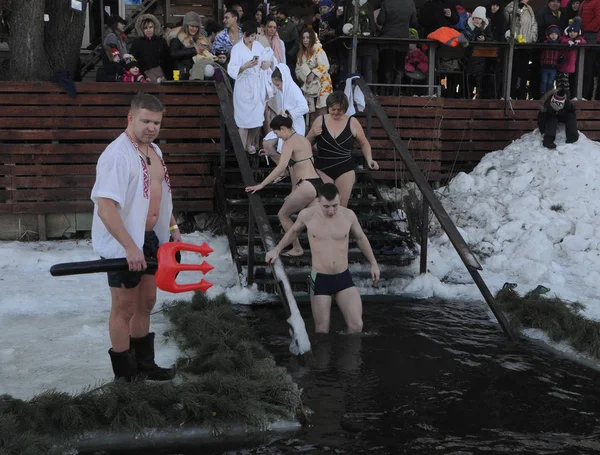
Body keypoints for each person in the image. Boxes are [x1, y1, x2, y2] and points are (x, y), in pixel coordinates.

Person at [91, 93, 181, 382]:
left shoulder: (155, 151)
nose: (151, 127)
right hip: (123, 243)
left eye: (156, 122)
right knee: (124, 307)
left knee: (147, 302)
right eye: (145, 121)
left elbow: (159, 195)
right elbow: (105, 206)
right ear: (130, 118)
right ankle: (125, 376)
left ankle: (145, 365)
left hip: (150, 239)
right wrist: (129, 247)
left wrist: (172, 226)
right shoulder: (117, 155)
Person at [265, 183, 380, 334]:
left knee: (357, 325)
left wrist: (373, 263)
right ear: (318, 201)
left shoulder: (348, 215)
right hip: (318, 278)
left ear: (340, 200)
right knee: (322, 330)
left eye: (335, 205)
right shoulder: (307, 215)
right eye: (326, 206)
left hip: (343, 276)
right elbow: (293, 232)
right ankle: (322, 356)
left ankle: (349, 356)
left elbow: (360, 238)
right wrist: (276, 250)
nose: (331, 211)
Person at [246, 113, 323, 257]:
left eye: (277, 133)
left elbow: (281, 167)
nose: (278, 137)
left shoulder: (289, 143)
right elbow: (296, 164)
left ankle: (297, 248)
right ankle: (322, 252)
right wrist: (294, 190)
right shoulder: (303, 139)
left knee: (283, 215)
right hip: (317, 183)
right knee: (313, 223)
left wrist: (261, 185)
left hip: (306, 185)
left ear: (283, 129)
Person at [306, 91, 378, 208]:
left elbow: (364, 142)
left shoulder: (352, 122)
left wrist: (369, 159)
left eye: (339, 110)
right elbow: (306, 143)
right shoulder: (320, 120)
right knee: (325, 204)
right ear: (328, 107)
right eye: (333, 109)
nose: (335, 112)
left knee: (341, 206)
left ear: (345, 109)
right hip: (323, 167)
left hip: (345, 168)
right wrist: (312, 134)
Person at [228, 21, 276, 153]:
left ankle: (249, 143)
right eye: (248, 36)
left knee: (258, 120)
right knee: (243, 121)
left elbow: (268, 57)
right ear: (243, 34)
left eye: (253, 36)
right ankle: (241, 151)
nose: (251, 39)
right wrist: (245, 66)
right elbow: (231, 69)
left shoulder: (258, 46)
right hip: (243, 86)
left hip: (257, 85)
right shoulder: (237, 48)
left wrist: (266, 63)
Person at [262, 64, 309, 167]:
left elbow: (305, 107)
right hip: (283, 126)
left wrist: (289, 113)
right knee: (267, 144)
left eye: (278, 85)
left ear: (284, 80)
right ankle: (283, 168)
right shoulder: (282, 91)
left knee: (289, 151)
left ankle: (288, 169)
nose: (277, 88)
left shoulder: (293, 89)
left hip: (295, 127)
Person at [296, 27, 333, 114]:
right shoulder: (301, 54)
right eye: (303, 38)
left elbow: (325, 65)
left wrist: (313, 73)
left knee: (322, 111)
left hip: (323, 83)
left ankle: (322, 127)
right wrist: (304, 78)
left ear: (312, 38)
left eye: (308, 37)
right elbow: (297, 70)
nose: (305, 40)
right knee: (310, 111)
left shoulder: (318, 50)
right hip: (309, 85)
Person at [130, 13, 170, 83]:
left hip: (161, 76)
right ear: (141, 30)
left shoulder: (161, 41)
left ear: (154, 27)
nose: (148, 30)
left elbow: (167, 60)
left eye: (150, 27)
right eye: (145, 28)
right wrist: (141, 75)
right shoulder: (137, 42)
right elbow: (133, 60)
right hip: (144, 77)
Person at [168, 11, 206, 80]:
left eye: (197, 27)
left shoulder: (199, 39)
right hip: (181, 75)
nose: (194, 29)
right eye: (192, 26)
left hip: (195, 75)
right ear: (186, 25)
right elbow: (173, 53)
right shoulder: (177, 37)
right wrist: (194, 50)